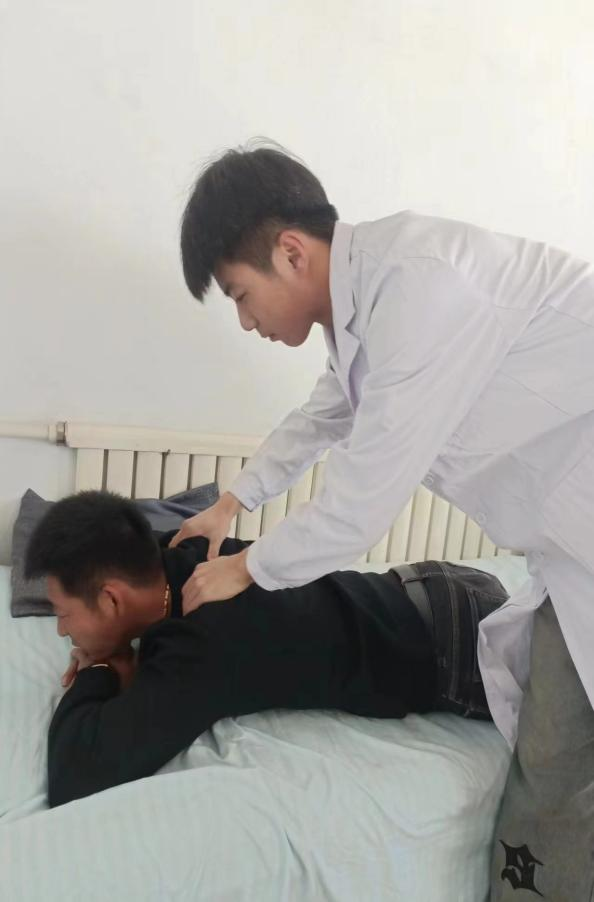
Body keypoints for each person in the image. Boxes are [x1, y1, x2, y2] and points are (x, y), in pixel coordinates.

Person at [170, 142, 594, 899]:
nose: (245, 321)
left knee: (557, 768)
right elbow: (324, 414)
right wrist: (235, 501)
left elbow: (360, 504)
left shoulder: (423, 288)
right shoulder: (366, 306)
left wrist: (245, 567)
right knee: (552, 746)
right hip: (569, 549)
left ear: (290, 253)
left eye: (239, 294)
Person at [24, 490, 509, 809]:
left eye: (63, 615)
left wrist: (103, 667)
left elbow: (77, 775)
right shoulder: (187, 552)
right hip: (435, 582)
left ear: (112, 599)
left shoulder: (202, 649)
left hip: (463, 645)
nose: (63, 632)